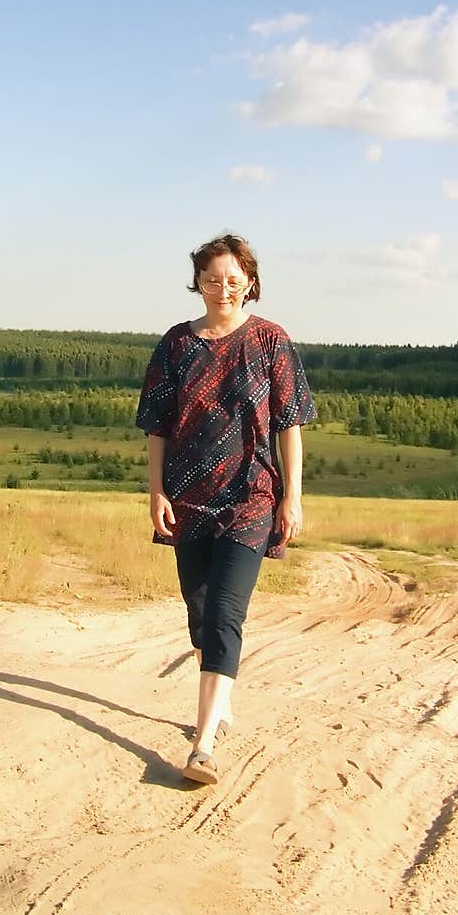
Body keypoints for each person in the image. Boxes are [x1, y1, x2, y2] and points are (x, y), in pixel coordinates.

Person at [135, 232, 317, 786]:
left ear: (250, 282)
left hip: (251, 496)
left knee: (224, 613)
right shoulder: (175, 345)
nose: (223, 289)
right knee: (199, 607)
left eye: (233, 280)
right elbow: (158, 426)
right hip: (188, 495)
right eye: (212, 279)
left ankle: (204, 744)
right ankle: (221, 690)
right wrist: (156, 490)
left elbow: (290, 422)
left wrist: (293, 494)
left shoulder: (270, 340)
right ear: (198, 283)